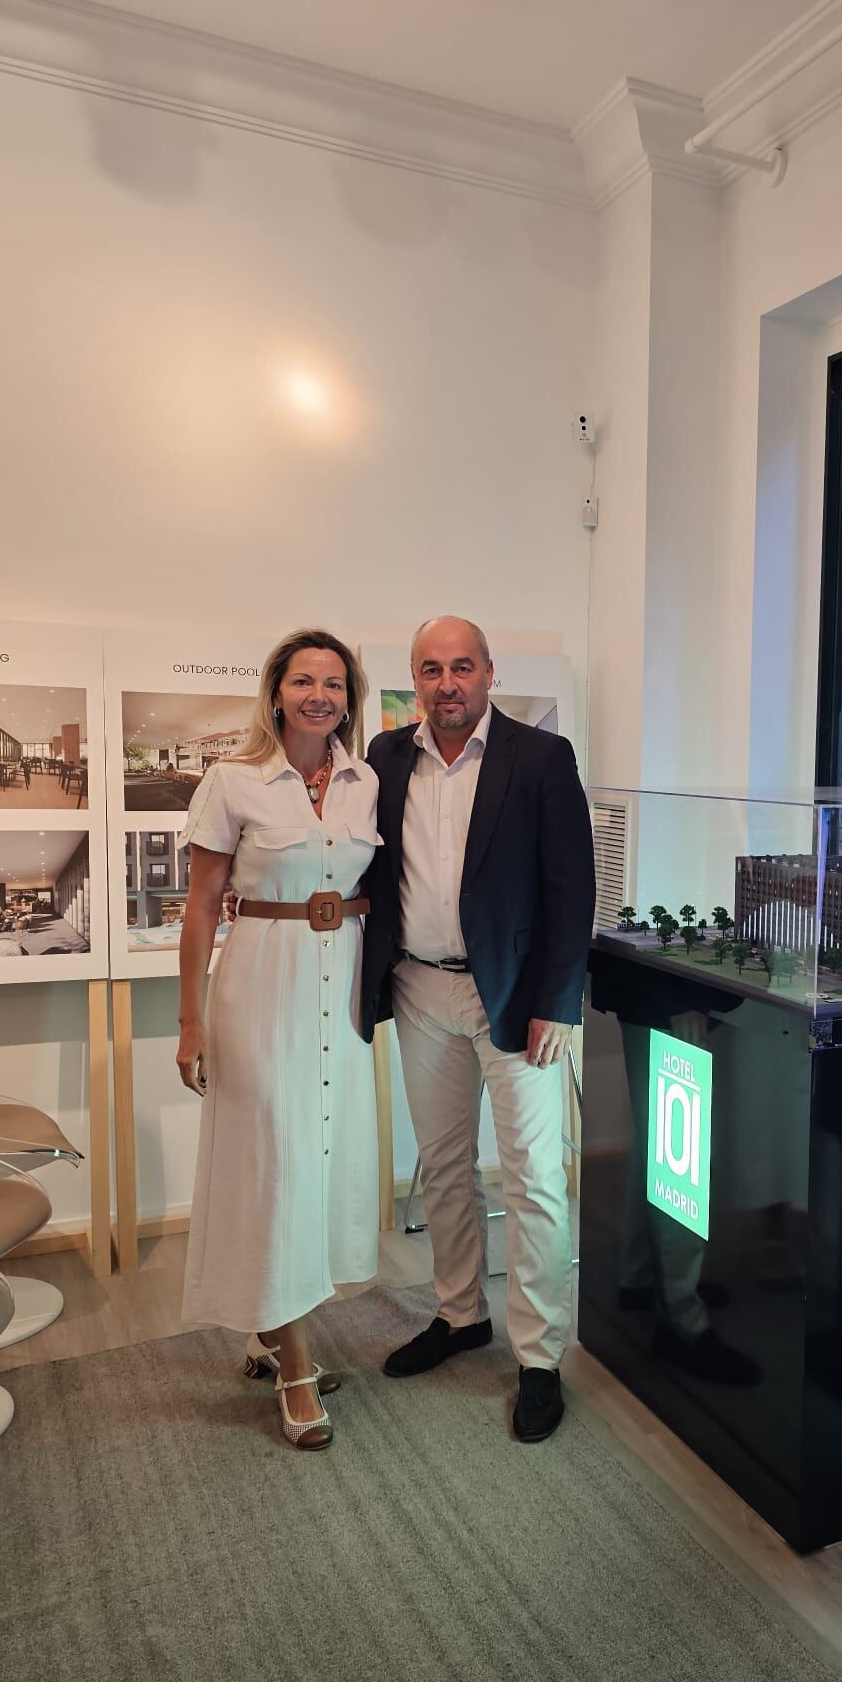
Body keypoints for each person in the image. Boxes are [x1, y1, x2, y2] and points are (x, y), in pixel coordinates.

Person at [359, 615, 595, 1443]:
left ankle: (539, 1357)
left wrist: (559, 1003)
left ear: (490, 673)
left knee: (534, 1178)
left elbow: (573, 889)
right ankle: (461, 1316)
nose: (447, 683)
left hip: (516, 999)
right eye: (431, 669)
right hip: (420, 988)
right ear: (414, 679)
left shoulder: (540, 758)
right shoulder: (386, 758)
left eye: (462, 667)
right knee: (445, 1165)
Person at [175, 629, 380, 1451]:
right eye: (304, 681)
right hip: (260, 990)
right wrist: (190, 1020)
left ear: (348, 698)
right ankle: (294, 1364)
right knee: (278, 1165)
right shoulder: (232, 783)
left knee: (322, 1163)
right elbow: (199, 907)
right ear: (276, 692)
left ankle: (273, 1323)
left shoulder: (368, 781)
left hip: (343, 994)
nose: (319, 696)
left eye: (334, 684)